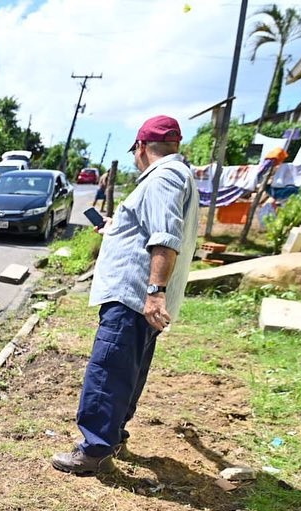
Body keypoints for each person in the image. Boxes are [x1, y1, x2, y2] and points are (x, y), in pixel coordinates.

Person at [52, 115, 199, 475]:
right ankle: (112, 435)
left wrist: (154, 293)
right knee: (128, 371)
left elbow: (165, 237)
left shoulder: (163, 177)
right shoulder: (178, 177)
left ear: (141, 148)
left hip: (134, 297)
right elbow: (150, 228)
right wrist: (116, 230)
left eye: (135, 151)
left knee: (108, 370)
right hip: (138, 299)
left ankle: (95, 449)